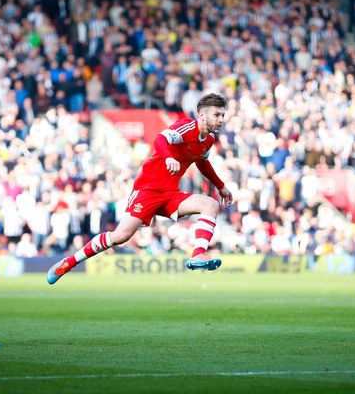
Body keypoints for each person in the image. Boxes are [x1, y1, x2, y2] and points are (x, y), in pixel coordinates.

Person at [47, 93, 234, 283]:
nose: (221, 120)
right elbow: (160, 140)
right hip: (148, 190)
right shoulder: (186, 127)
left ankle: (198, 255)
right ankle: (69, 262)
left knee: (210, 205)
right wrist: (168, 157)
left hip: (170, 194)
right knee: (121, 236)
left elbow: (202, 162)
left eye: (222, 116)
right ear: (202, 116)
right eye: (217, 115)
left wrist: (220, 186)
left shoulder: (208, 140)